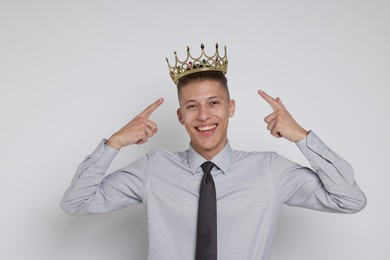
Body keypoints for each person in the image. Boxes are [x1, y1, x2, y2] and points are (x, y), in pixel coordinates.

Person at [61, 44, 366, 260]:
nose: (204, 116)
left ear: (230, 108)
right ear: (180, 116)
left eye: (214, 103)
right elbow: (76, 203)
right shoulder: (154, 168)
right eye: (192, 106)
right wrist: (114, 143)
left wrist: (302, 137)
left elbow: (349, 200)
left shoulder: (269, 170)